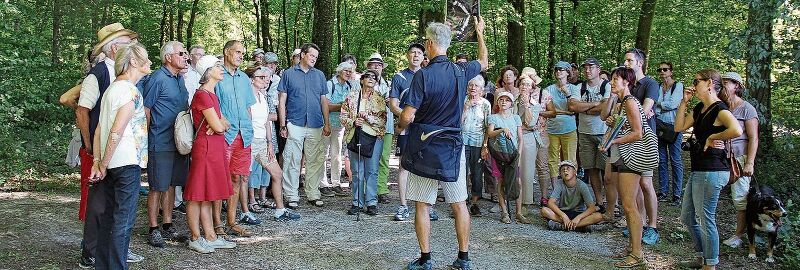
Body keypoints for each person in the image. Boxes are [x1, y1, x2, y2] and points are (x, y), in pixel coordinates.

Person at [400, 17, 488, 270]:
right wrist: (479, 33)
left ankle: (426, 259)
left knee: (422, 204)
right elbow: (484, 61)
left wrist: (399, 127)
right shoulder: (461, 71)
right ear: (447, 45)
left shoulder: (423, 76)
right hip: (452, 147)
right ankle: (463, 258)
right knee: (459, 203)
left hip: (424, 147)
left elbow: (407, 116)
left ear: (428, 44)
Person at [76, 23, 143, 268]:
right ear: (115, 47)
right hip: (103, 150)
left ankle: (107, 256)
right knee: (100, 206)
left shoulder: (121, 77)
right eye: (128, 43)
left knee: (112, 208)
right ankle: (91, 252)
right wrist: (91, 149)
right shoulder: (99, 74)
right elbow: (83, 110)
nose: (133, 47)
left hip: (112, 151)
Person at [88, 41, 150, 270]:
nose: (150, 61)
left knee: (109, 219)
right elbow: (116, 131)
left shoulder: (112, 89)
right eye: (145, 57)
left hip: (112, 162)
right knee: (123, 221)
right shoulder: (130, 91)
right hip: (125, 162)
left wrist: (99, 162)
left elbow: (98, 131)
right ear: (134, 61)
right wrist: (101, 163)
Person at [674, 69, 743, 270]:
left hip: (712, 170)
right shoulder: (699, 108)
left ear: (710, 83)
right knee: (688, 216)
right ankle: (702, 256)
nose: (693, 86)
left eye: (697, 81)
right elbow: (679, 127)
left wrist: (714, 138)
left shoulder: (719, 109)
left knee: (705, 218)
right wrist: (684, 102)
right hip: (699, 169)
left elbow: (736, 130)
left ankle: (710, 264)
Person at [182, 55, 237, 254]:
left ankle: (211, 236)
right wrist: (218, 125)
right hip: (205, 148)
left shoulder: (212, 95)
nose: (221, 68)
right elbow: (218, 125)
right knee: (196, 194)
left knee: (207, 194)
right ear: (207, 72)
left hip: (214, 147)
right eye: (217, 66)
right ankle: (196, 237)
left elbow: (225, 123)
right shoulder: (203, 95)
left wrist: (219, 125)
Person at [601, 67, 652, 268]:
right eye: (612, 79)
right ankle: (632, 247)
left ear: (626, 82)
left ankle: (637, 254)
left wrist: (614, 141)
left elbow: (638, 133)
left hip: (632, 157)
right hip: (623, 156)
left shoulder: (630, 102)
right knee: (627, 204)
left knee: (630, 205)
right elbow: (626, 126)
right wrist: (615, 124)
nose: (612, 83)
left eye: (616, 80)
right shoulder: (621, 103)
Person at [141, 41, 190, 248]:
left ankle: (168, 224)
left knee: (171, 184)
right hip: (159, 141)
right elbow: (146, 109)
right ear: (168, 57)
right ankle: (153, 228)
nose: (186, 56)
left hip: (178, 143)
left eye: (186, 53)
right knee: (157, 186)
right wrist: (148, 137)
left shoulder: (180, 79)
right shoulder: (157, 78)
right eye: (181, 53)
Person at [278, 43, 332, 208]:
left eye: (316, 57)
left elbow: (324, 101)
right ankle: (291, 195)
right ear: (302, 55)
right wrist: (282, 124)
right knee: (292, 159)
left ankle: (313, 193)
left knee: (315, 160)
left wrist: (327, 123)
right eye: (311, 55)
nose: (314, 59)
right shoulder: (288, 74)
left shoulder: (320, 75)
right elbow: (282, 101)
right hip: (294, 122)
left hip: (316, 123)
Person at [216, 40, 258, 237]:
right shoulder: (216, 75)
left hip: (244, 135)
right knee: (218, 180)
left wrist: (249, 128)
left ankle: (231, 222)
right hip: (224, 135)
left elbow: (249, 108)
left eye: (243, 53)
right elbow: (211, 106)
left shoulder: (243, 79)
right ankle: (217, 225)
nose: (241, 56)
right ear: (226, 52)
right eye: (238, 52)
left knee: (237, 177)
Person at [624, 48, 660, 244]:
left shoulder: (650, 84)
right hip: (630, 139)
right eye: (625, 60)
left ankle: (653, 227)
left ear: (640, 63)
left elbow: (646, 110)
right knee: (635, 185)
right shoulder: (629, 85)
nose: (626, 64)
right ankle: (640, 222)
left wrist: (634, 116)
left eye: (629, 61)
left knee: (646, 184)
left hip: (645, 139)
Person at [719, 72, 759, 249]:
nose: (723, 86)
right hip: (720, 157)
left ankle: (738, 235)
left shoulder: (747, 108)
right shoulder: (721, 107)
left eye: (727, 83)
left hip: (740, 158)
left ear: (737, 86)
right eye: (722, 83)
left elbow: (753, 138)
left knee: (740, 198)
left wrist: (749, 163)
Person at [388, 43, 427, 221]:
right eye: (413, 52)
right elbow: (393, 104)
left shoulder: (427, 75)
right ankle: (403, 205)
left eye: (419, 53)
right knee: (403, 166)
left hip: (425, 129)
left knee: (425, 167)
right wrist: (405, 115)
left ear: (423, 56)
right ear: (407, 55)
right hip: (405, 128)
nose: (416, 55)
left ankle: (426, 205)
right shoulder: (399, 77)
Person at [341, 69, 387, 215]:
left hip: (374, 138)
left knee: (372, 171)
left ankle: (371, 202)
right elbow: (343, 117)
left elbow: (383, 120)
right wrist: (354, 121)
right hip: (355, 136)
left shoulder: (379, 98)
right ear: (362, 80)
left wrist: (368, 118)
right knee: (357, 171)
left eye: (375, 77)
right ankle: (357, 202)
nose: (372, 79)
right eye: (368, 76)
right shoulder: (352, 96)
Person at [567, 58, 611, 210]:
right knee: (591, 169)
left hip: (604, 133)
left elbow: (606, 107)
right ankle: (599, 202)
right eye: (585, 68)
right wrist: (594, 105)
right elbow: (572, 106)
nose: (587, 71)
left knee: (607, 171)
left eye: (591, 68)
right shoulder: (579, 87)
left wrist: (584, 108)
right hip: (584, 133)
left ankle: (612, 203)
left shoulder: (606, 86)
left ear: (598, 69)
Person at [486, 92, 526, 224]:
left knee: (517, 181)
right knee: (501, 181)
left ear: (511, 103)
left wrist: (519, 155)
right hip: (499, 154)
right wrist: (502, 129)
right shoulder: (493, 117)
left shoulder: (516, 118)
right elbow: (490, 133)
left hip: (513, 154)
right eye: (501, 100)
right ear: (497, 102)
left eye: (507, 100)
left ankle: (518, 212)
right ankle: (504, 212)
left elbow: (520, 139)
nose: (504, 102)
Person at [516, 71, 552, 208]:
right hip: (511, 137)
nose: (524, 87)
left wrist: (526, 106)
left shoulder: (536, 104)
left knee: (527, 171)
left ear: (532, 87)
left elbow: (529, 123)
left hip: (529, 137)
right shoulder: (510, 100)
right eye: (522, 84)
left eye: (528, 84)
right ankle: (507, 201)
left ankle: (525, 203)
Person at [320, 62, 355, 197]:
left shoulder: (348, 86)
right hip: (326, 123)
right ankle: (323, 184)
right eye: (345, 70)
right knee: (323, 154)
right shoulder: (330, 84)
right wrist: (342, 106)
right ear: (339, 71)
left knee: (336, 155)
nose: (348, 73)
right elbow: (326, 106)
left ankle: (336, 183)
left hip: (340, 125)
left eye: (350, 71)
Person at [364, 52, 394, 204]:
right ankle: (366, 190)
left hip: (386, 127)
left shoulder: (389, 84)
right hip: (367, 127)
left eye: (379, 65)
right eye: (373, 64)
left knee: (384, 159)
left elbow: (395, 105)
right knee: (366, 157)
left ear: (382, 68)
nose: (376, 67)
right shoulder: (362, 83)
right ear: (368, 67)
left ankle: (381, 189)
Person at [245, 64, 275, 214]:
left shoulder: (263, 97)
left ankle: (280, 209)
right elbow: (247, 121)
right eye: (261, 77)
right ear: (251, 79)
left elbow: (266, 122)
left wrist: (270, 143)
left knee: (276, 173)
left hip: (263, 141)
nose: (265, 80)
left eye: (266, 77)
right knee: (246, 176)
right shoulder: (247, 98)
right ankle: (247, 206)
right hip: (250, 140)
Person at [540, 160, 603, 231]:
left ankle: (564, 226)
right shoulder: (560, 183)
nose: (565, 171)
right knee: (544, 210)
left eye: (568, 168)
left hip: (578, 213)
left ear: (575, 172)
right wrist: (564, 216)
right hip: (563, 212)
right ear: (560, 174)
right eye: (562, 170)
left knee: (598, 216)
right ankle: (580, 226)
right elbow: (550, 203)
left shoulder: (582, 185)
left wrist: (578, 218)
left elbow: (591, 207)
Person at [544, 61, 579, 189]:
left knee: (570, 160)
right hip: (552, 129)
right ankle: (555, 189)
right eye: (557, 70)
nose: (559, 72)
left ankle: (570, 188)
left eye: (562, 70)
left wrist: (568, 95)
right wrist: (565, 111)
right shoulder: (548, 89)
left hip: (569, 129)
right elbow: (548, 110)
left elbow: (575, 109)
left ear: (568, 73)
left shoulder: (574, 89)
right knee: (552, 161)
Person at [654, 61, 684, 204]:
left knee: (676, 160)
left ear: (671, 71)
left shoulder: (678, 86)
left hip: (674, 127)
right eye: (660, 70)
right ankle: (663, 191)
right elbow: (656, 106)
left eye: (665, 69)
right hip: (660, 126)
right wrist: (662, 105)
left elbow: (673, 104)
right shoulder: (659, 87)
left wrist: (660, 105)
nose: (662, 72)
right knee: (662, 160)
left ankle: (677, 194)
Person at [461, 75, 491, 217]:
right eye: (471, 85)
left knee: (477, 174)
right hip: (462, 142)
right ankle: (461, 202)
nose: (473, 88)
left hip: (478, 143)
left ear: (481, 89)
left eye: (476, 86)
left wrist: (485, 146)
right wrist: (465, 108)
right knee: (462, 173)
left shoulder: (485, 104)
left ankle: (475, 203)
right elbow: (456, 122)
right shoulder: (462, 101)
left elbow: (488, 127)